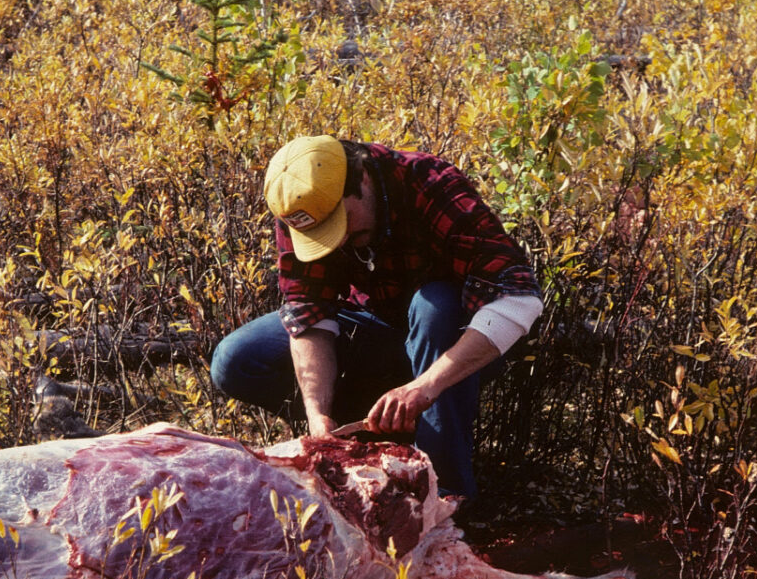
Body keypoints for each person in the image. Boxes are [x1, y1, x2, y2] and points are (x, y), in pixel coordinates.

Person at [209, 135, 543, 502]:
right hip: (374, 327)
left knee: (436, 305)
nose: (339, 242)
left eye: (342, 223)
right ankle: (372, 444)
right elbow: (308, 309)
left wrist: (424, 387)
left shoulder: (429, 183)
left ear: (362, 179)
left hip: (453, 343)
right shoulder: (299, 205)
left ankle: (443, 498)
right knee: (236, 360)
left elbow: (518, 298)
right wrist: (318, 416)